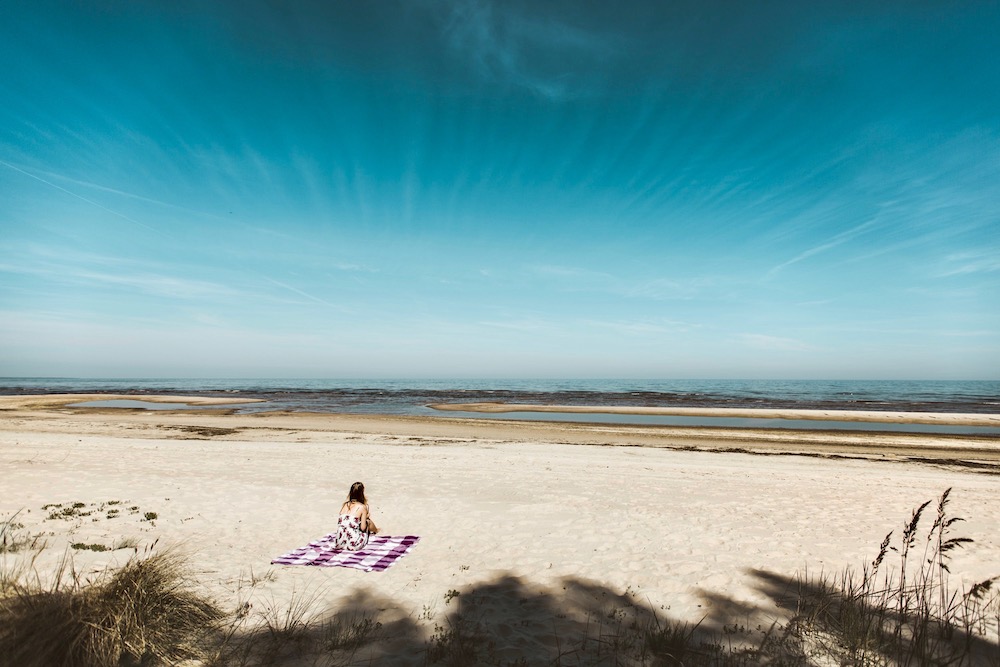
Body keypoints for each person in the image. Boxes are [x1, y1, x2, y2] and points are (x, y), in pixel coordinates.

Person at [333, 481, 379, 551]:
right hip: (353, 544)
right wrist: (366, 517)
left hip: (339, 542)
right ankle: (376, 530)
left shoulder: (345, 505)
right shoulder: (362, 507)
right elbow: (363, 528)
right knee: (368, 522)